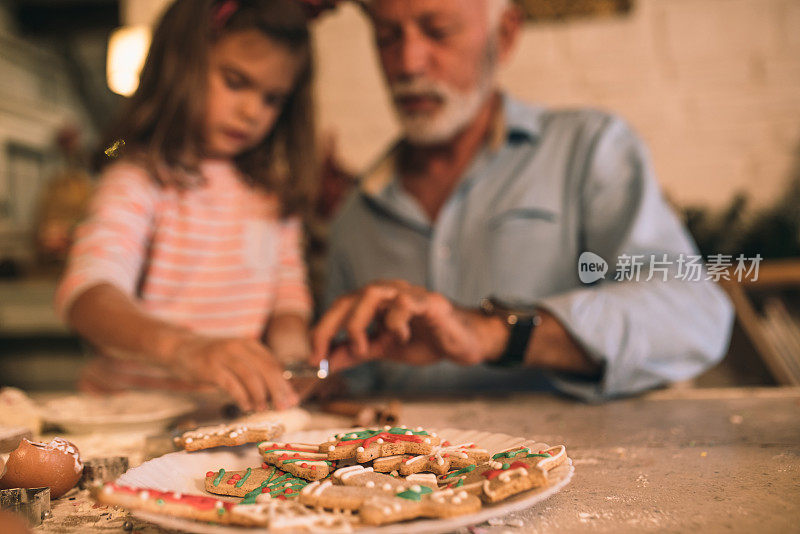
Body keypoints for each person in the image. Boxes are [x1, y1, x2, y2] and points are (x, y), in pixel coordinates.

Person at [311, 0, 734, 401]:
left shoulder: (589, 150)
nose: (407, 63)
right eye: (386, 37)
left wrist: (493, 333)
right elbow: (350, 379)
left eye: (438, 32)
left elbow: (693, 315)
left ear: (506, 34)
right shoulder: (356, 214)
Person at [55, 0, 317, 412]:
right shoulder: (139, 181)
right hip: (130, 416)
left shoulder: (272, 197)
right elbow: (89, 293)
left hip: (220, 416)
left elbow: (288, 299)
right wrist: (186, 348)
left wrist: (292, 360)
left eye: (273, 99)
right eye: (235, 82)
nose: (252, 112)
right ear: (181, 66)